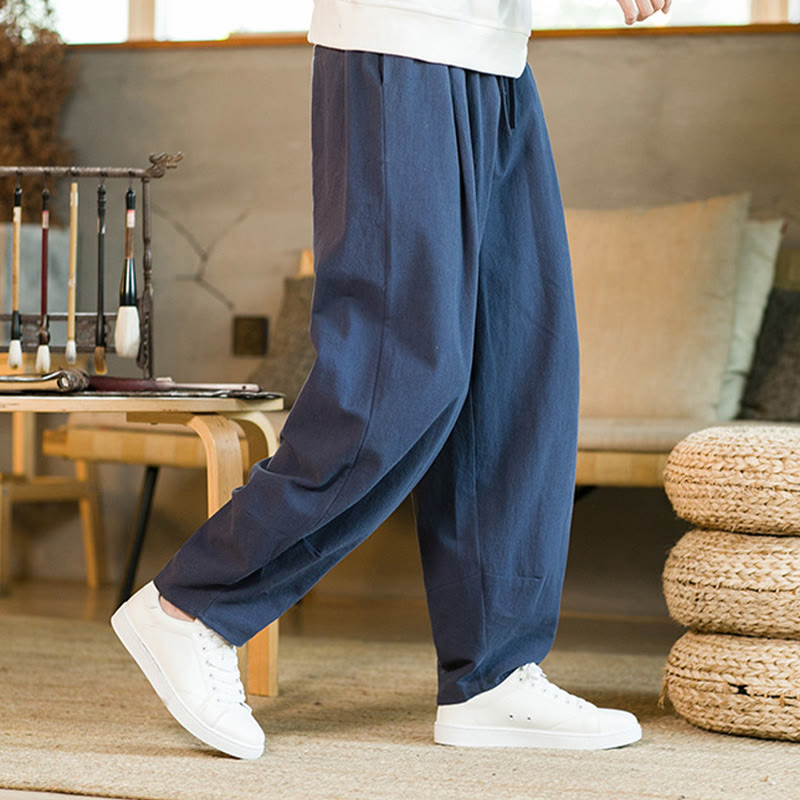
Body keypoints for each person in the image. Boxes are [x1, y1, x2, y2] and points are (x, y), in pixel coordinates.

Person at [111, 0, 672, 760]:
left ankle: (493, 675)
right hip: (398, 38)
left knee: (517, 375)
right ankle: (193, 606)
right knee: (397, 376)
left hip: (496, 53)